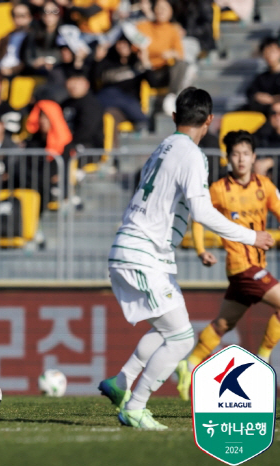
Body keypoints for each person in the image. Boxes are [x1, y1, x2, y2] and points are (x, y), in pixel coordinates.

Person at [98, 87, 274, 430]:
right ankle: (135, 406)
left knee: (169, 328)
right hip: (143, 254)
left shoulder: (162, 147)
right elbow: (202, 211)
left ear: (175, 118)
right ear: (209, 121)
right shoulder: (192, 155)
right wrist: (252, 236)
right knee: (180, 338)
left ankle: (121, 382)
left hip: (147, 253)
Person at [174, 131, 280, 399]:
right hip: (241, 266)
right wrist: (200, 249)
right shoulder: (219, 190)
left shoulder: (265, 187)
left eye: (246, 153)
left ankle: (189, 363)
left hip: (254, 268)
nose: (241, 159)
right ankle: (264, 359)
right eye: (235, 154)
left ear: (254, 157)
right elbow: (198, 219)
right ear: (227, 158)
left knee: (223, 323)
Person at [246, 37, 280, 116]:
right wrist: (257, 96)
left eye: (272, 52)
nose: (269, 55)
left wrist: (271, 99)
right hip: (262, 114)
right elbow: (250, 93)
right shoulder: (261, 77)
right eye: (266, 52)